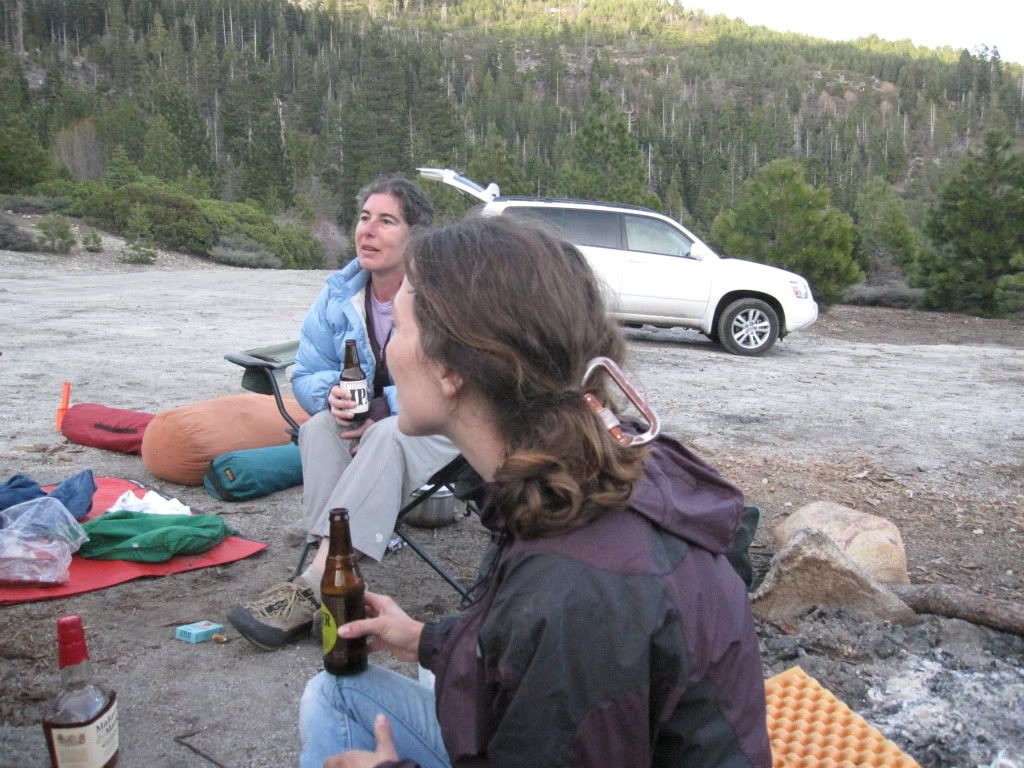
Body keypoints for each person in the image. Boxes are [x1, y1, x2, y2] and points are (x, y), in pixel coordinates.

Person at [298, 215, 771, 767]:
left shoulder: (574, 590)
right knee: (334, 692)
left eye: (399, 330)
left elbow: (564, 641)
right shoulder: (583, 471)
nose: (391, 353)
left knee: (334, 704)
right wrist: (427, 641)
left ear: (450, 369)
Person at [227, 176, 459, 650]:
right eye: (364, 217)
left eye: (386, 221)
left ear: (415, 236)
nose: (367, 231)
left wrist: (383, 409)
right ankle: (340, 582)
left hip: (442, 426)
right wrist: (331, 395)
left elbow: (451, 378)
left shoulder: (443, 295)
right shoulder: (340, 295)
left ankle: (316, 584)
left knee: (386, 434)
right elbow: (308, 370)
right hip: (369, 426)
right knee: (319, 429)